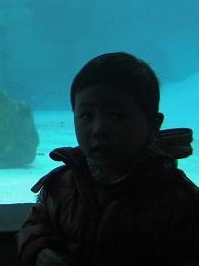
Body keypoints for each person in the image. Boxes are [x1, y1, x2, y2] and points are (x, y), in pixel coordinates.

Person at [16, 52, 198, 266]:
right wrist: (39, 251)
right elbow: (35, 226)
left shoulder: (179, 201)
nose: (99, 129)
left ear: (153, 124)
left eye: (117, 115)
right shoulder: (60, 186)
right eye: (87, 116)